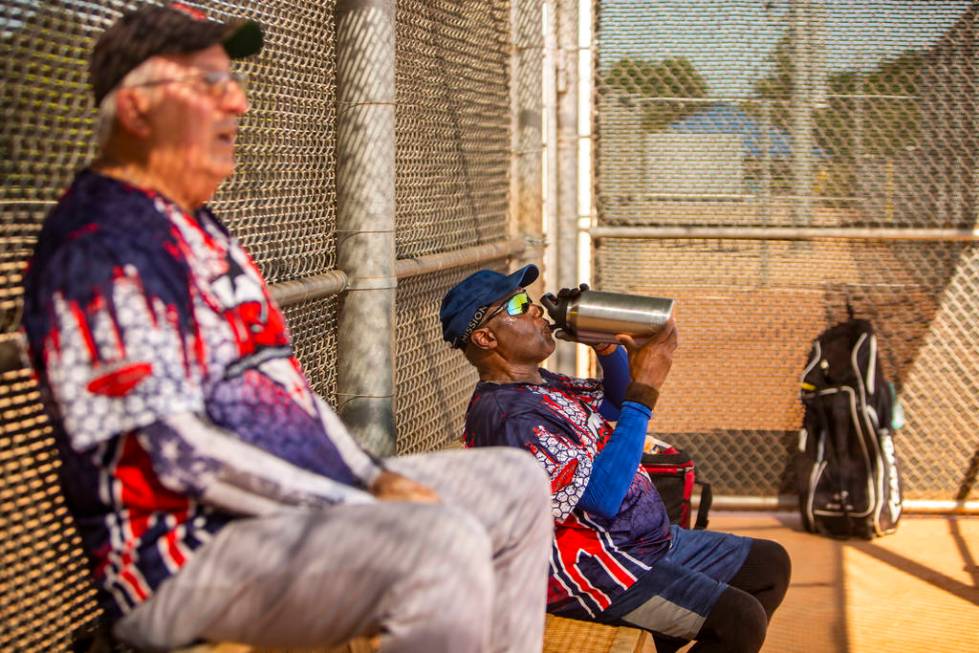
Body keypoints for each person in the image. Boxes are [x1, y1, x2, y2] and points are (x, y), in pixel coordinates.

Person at [21, 5, 552, 652]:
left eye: (232, 82)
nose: (238, 102)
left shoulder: (199, 229)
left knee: (517, 484)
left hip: (280, 517)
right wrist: (354, 502)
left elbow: (286, 392)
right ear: (136, 111)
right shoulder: (95, 245)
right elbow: (172, 447)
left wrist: (371, 476)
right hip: (180, 556)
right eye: (210, 84)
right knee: (439, 545)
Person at [440, 266, 792, 653]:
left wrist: (606, 348)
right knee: (738, 620)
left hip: (640, 543)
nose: (537, 309)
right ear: (486, 337)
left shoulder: (538, 383)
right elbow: (602, 496)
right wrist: (647, 391)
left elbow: (614, 401)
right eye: (519, 304)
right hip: (594, 569)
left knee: (768, 566)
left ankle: (666, 626)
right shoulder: (509, 416)